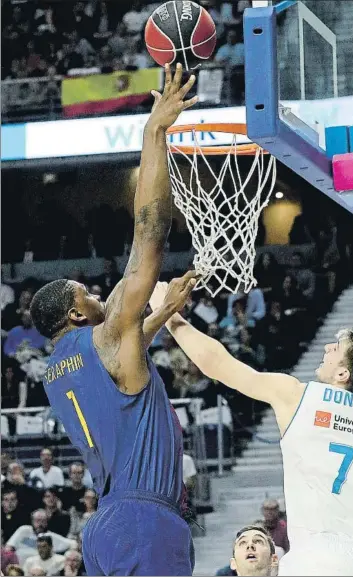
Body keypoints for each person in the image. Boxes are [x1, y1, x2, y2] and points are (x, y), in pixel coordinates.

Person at [29, 64, 199, 577]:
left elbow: (120, 374)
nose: (101, 295)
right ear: (77, 312)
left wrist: (158, 317)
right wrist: (155, 131)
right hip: (145, 519)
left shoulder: (57, 369)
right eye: (90, 293)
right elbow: (148, 236)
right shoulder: (106, 336)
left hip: (104, 525)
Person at [150, 279, 353, 576]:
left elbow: (217, 362)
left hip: (318, 557)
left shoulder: (297, 396)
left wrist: (171, 316)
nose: (329, 347)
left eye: (337, 348)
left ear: (343, 372)